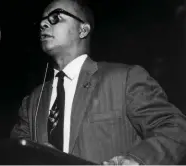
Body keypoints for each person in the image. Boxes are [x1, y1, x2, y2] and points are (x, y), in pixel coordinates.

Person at [10, 0, 186, 164]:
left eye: (55, 17)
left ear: (83, 30)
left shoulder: (125, 78)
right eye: (42, 21)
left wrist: (136, 160)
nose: (43, 24)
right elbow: (13, 155)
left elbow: (175, 128)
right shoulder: (32, 101)